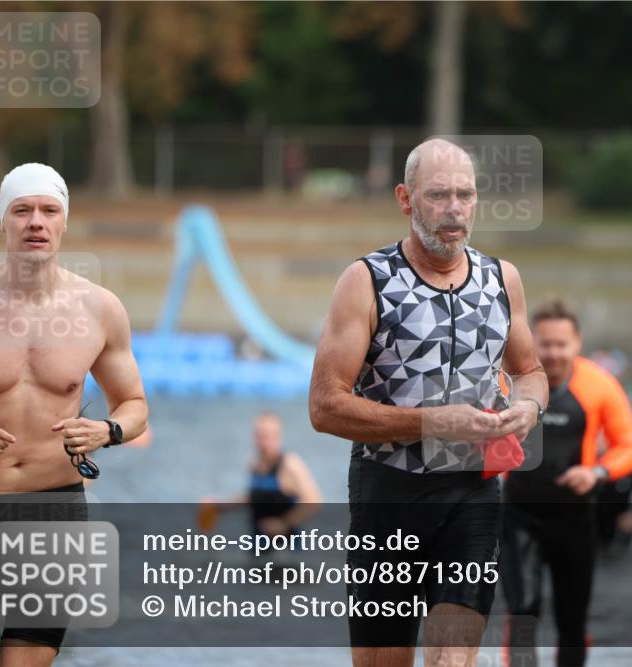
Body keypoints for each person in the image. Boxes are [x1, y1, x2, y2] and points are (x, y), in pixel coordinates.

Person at [308, 139, 548, 667]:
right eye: (438, 195)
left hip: (474, 497)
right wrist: (431, 422)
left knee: (451, 662)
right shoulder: (367, 281)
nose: (454, 208)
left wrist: (528, 409)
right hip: (388, 495)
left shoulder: (502, 279)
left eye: (465, 195)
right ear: (405, 198)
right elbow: (324, 407)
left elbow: (530, 372)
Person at [0, 163, 149, 666]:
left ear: (64, 223)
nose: (35, 221)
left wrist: (107, 429)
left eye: (48, 210)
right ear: (3, 221)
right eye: (22, 210)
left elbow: (136, 405)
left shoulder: (99, 309)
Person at [499, 299, 632, 667]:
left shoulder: (599, 386)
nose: (553, 353)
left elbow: (629, 446)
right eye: (545, 344)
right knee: (522, 615)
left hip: (574, 518)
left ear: (577, 343)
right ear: (532, 342)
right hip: (518, 514)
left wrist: (597, 472)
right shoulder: (506, 380)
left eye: (561, 345)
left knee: (572, 621)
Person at [203, 411, 321, 541]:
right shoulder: (254, 463)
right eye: (259, 436)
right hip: (257, 545)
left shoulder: (290, 464)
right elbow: (251, 497)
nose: (263, 442)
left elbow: (314, 501)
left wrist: (283, 524)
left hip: (286, 549)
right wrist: (219, 506)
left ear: (278, 436)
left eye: (267, 436)